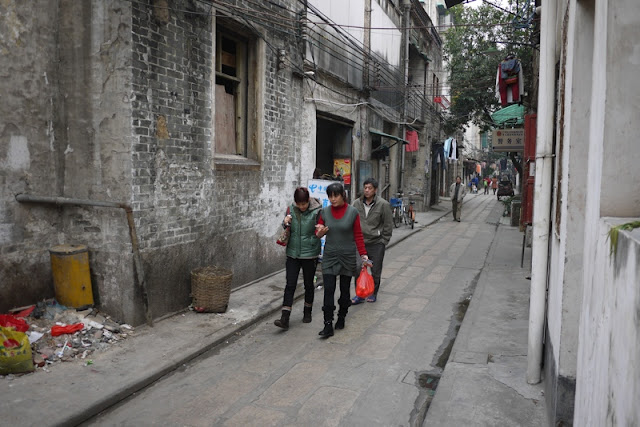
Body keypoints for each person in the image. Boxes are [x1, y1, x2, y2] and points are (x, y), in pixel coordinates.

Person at [315, 183, 369, 338]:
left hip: (347, 256)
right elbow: (317, 231)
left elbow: (358, 235)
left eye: (335, 195)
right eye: (330, 196)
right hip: (330, 255)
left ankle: (342, 316)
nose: (332, 199)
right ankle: (327, 324)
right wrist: (319, 233)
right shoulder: (324, 212)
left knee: (345, 291)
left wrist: (363, 254)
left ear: (342, 195)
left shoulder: (352, 212)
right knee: (329, 290)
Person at [274, 187, 322, 330]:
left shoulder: (317, 211)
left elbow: (320, 229)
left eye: (304, 204)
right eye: (299, 204)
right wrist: (285, 221)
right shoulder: (291, 209)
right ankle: (285, 318)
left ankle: (307, 311)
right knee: (290, 284)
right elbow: (286, 228)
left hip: (310, 253)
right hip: (293, 253)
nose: (301, 207)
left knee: (308, 284)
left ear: (308, 201)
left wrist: (320, 230)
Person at [351, 178, 393, 304]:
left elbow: (388, 225)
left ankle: (373, 293)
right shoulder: (356, 204)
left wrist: (384, 241)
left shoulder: (383, 205)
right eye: (365, 188)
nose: (367, 190)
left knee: (375, 270)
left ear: (375, 190)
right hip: (360, 242)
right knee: (358, 268)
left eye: (370, 188)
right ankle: (360, 294)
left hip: (376, 243)